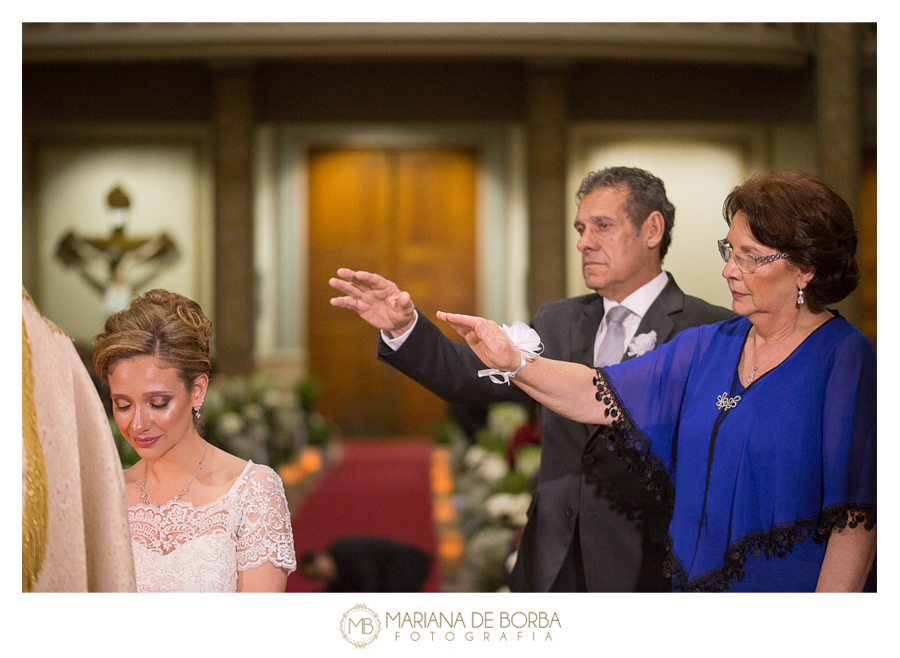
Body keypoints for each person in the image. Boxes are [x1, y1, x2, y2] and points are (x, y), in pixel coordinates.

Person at [437, 171, 876, 592]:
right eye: (729, 251)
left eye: (750, 257)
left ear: (806, 269)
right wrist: (514, 360)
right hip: (693, 599)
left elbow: (856, 520)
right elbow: (596, 392)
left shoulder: (844, 359)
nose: (729, 270)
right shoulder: (708, 345)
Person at [330, 167, 733, 592]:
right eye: (580, 228)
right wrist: (404, 328)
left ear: (652, 229)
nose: (583, 242)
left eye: (602, 226)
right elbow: (469, 376)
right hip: (550, 563)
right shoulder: (559, 321)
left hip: (648, 570)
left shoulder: (708, 330)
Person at [91, 289, 297, 592]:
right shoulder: (106, 498)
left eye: (158, 403)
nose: (137, 424)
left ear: (198, 390)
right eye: (122, 404)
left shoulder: (252, 492)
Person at [299, 536, 432, 592]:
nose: (321, 576)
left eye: (318, 571)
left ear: (322, 557)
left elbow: (368, 580)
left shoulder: (345, 552)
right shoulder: (337, 576)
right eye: (316, 577)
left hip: (407, 565)